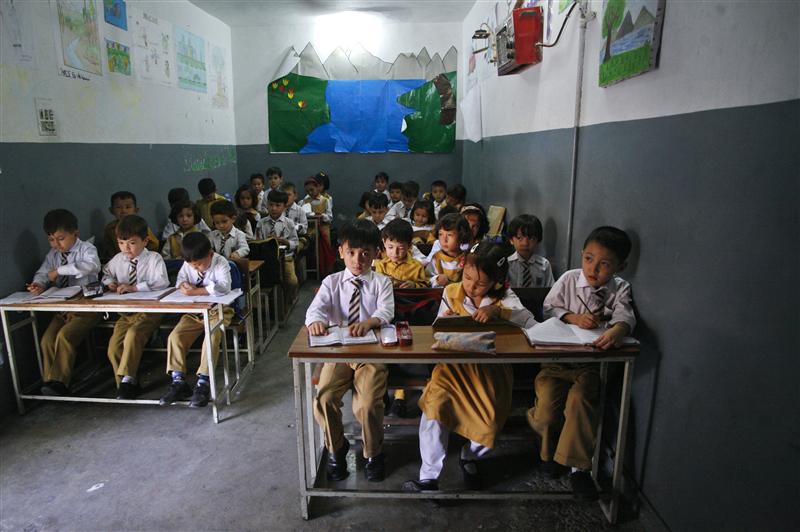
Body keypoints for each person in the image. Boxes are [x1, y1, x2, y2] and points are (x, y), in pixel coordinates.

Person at [403, 241, 536, 492]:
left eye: (480, 283)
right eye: (467, 277)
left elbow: (529, 321)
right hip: (452, 368)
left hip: (490, 372)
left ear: (497, 283)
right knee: (434, 411)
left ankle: (469, 455)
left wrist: (497, 311)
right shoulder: (452, 291)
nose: (471, 286)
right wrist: (446, 320)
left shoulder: (506, 298)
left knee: (489, 428)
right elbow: (437, 326)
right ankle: (429, 477)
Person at [528, 226, 636, 500]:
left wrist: (618, 329)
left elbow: (626, 317)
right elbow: (549, 308)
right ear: (581, 254)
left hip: (590, 366)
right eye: (588, 258)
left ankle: (577, 469)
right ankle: (547, 449)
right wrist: (572, 318)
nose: (593, 268)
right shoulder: (568, 279)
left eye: (604, 264)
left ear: (620, 266)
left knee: (581, 401)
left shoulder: (620, 288)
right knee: (547, 412)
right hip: (556, 362)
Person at [306, 220, 394, 482]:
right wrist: (316, 321)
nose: (358, 260)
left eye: (366, 253)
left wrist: (370, 321)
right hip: (340, 353)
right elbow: (315, 309)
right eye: (352, 252)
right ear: (341, 251)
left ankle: (373, 453)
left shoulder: (382, 282)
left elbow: (387, 310)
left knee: (366, 405)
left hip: (372, 355)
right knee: (323, 399)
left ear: (377, 253)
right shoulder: (332, 282)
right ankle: (336, 448)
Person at [27, 209, 101, 396]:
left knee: (65, 337)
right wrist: (38, 284)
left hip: (86, 308)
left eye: (61, 238)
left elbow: (91, 266)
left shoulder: (87, 249)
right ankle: (50, 381)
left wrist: (60, 271)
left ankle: (59, 382)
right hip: (62, 308)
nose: (56, 244)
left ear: (75, 234)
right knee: (46, 340)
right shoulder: (52, 254)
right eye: (51, 239)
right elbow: (44, 272)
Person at [161, 232, 234, 408]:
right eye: (192, 265)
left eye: (200, 264)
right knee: (175, 337)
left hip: (219, 310)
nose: (197, 269)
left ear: (210, 254)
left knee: (211, 337)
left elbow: (224, 286)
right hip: (194, 312)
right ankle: (178, 381)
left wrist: (196, 291)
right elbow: (180, 280)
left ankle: (203, 382)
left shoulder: (220, 262)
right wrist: (183, 286)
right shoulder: (189, 265)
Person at [102, 215, 169, 399]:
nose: (126, 248)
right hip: (127, 313)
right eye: (121, 243)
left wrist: (135, 287)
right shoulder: (118, 259)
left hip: (150, 312)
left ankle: (127, 381)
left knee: (133, 336)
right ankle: (127, 382)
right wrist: (110, 283)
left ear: (145, 241)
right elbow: (106, 272)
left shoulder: (154, 258)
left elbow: (162, 281)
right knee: (114, 347)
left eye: (131, 243)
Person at [256, 189, 300, 304]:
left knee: (292, 281)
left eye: (278, 205)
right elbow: (258, 242)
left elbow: (295, 242)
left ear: (284, 207)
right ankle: (274, 304)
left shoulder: (289, 223)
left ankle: (291, 297)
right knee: (270, 282)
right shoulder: (261, 223)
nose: (274, 208)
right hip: (268, 259)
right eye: (271, 205)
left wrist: (285, 242)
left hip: (286, 257)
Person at [102, 191, 159, 261]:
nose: (123, 211)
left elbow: (154, 244)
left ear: (136, 210)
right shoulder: (110, 228)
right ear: (111, 210)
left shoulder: (139, 226)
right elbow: (108, 248)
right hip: (119, 260)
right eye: (118, 207)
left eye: (128, 207)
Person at [507, 214, 554, 288]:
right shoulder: (507, 265)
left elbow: (550, 291)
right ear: (511, 240)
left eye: (531, 238)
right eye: (519, 238)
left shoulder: (544, 265)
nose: (525, 243)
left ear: (538, 240)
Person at [302, 174, 335, 276]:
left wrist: (321, 216)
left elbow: (330, 217)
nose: (310, 193)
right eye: (308, 191)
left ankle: (325, 272)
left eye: (312, 190)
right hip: (311, 229)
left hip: (323, 228)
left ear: (318, 188)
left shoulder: (325, 200)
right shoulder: (305, 201)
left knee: (324, 251)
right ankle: (312, 273)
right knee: (311, 250)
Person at [427, 213, 471, 287]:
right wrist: (436, 279)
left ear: (462, 236)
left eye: (449, 235)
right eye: (440, 234)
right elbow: (426, 279)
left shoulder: (468, 259)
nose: (444, 240)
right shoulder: (436, 258)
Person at [282, 182, 308, 251]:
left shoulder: (300, 210)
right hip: (282, 237)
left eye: (289, 195)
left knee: (299, 245)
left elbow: (304, 229)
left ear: (295, 196)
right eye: (284, 195)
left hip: (298, 237)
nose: (286, 197)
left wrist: (296, 227)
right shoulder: (280, 210)